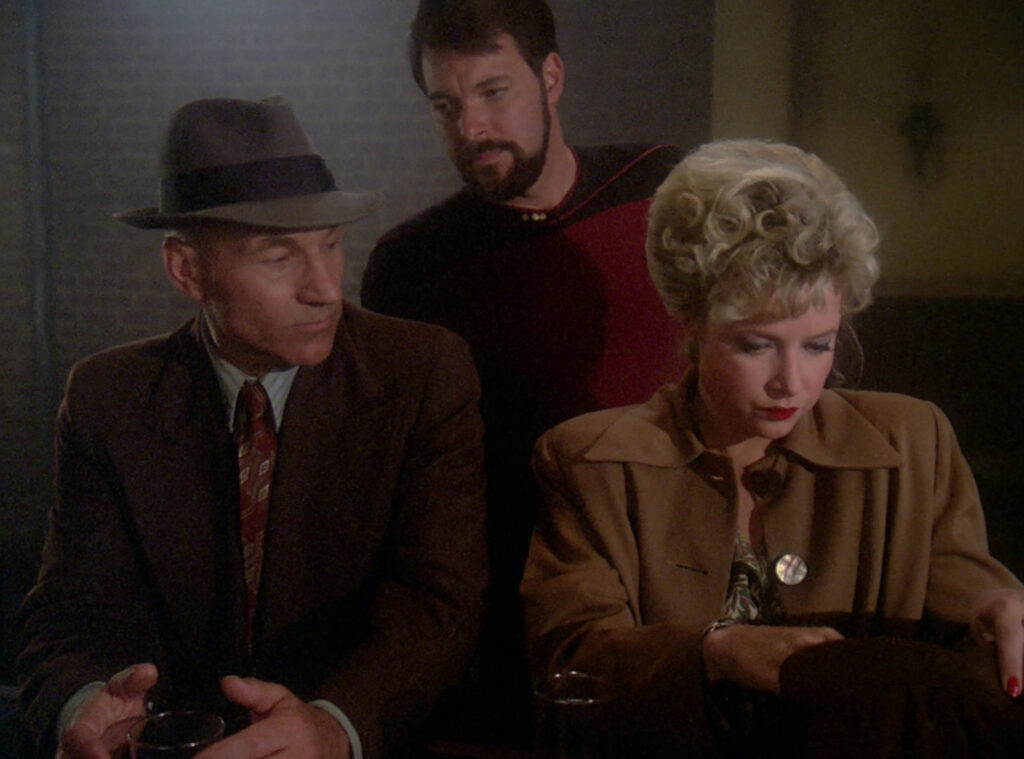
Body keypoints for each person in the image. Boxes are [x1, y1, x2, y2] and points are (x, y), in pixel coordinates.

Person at [15, 97, 487, 759]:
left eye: (330, 245)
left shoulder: (423, 373)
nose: (326, 288)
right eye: (278, 258)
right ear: (186, 269)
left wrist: (335, 725)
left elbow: (438, 605)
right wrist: (83, 700)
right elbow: (71, 609)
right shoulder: (107, 399)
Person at [520, 139, 1024, 756]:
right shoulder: (592, 462)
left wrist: (998, 613)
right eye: (755, 345)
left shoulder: (913, 443)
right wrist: (717, 653)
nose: (792, 382)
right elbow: (571, 666)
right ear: (690, 323)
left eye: (818, 345)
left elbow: (970, 608)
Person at [360, 1, 686, 741]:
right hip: (515, 613)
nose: (471, 128)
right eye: (445, 105)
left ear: (551, 77)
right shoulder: (412, 266)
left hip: (680, 573)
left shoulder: (664, 187)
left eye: (493, 91)